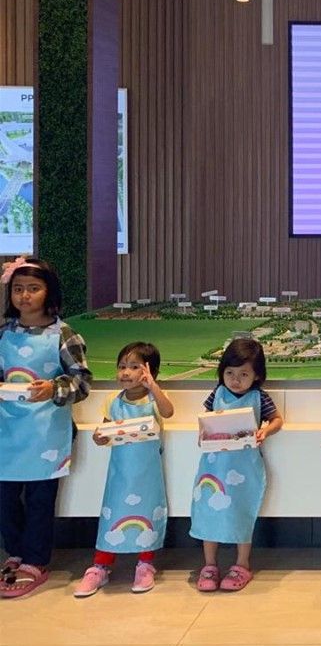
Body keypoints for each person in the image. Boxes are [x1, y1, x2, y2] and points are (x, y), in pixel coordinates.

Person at [0, 256, 90, 599]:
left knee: (40, 500)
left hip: (45, 434)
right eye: (18, 289)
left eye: (33, 288)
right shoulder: (3, 334)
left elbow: (82, 382)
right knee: (5, 499)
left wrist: (53, 388)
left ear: (48, 292)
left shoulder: (64, 335)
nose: (25, 296)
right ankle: (15, 553)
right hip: (7, 432)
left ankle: (35, 561)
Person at [75, 342, 174, 597]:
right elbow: (106, 431)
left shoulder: (154, 398)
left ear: (150, 371)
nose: (126, 372)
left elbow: (168, 412)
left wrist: (153, 387)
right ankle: (100, 566)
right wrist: (99, 437)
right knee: (112, 515)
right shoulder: (113, 400)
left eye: (134, 367)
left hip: (147, 474)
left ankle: (145, 564)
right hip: (119, 474)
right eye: (121, 367)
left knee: (147, 514)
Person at [189, 337, 283, 592]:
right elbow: (206, 418)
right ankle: (209, 565)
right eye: (230, 373)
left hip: (244, 469)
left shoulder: (259, 397)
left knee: (242, 513)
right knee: (210, 512)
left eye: (244, 374)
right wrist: (202, 433)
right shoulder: (217, 393)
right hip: (213, 467)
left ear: (257, 375)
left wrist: (266, 431)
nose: (235, 380)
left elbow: (277, 419)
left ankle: (242, 564)